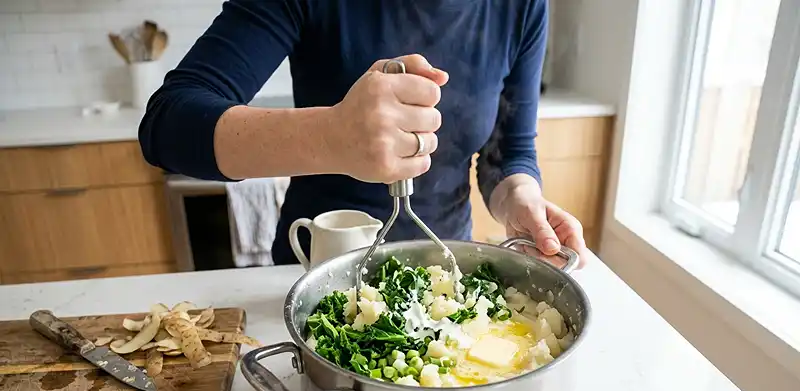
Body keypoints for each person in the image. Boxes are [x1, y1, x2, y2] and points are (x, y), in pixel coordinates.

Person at [139, 0, 589, 268]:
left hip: (446, 269)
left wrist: (519, 198)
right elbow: (167, 125)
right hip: (316, 269)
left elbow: (508, 151)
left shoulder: (522, 6)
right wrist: (331, 137)